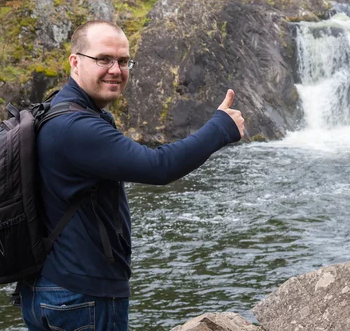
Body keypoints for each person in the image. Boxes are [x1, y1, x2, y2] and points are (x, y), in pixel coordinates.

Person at [19, 20, 244, 330]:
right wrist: (221, 128)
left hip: (48, 288)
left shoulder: (57, 110)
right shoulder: (77, 127)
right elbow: (158, 167)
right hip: (81, 296)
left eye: (123, 61)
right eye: (103, 59)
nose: (116, 69)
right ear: (75, 62)